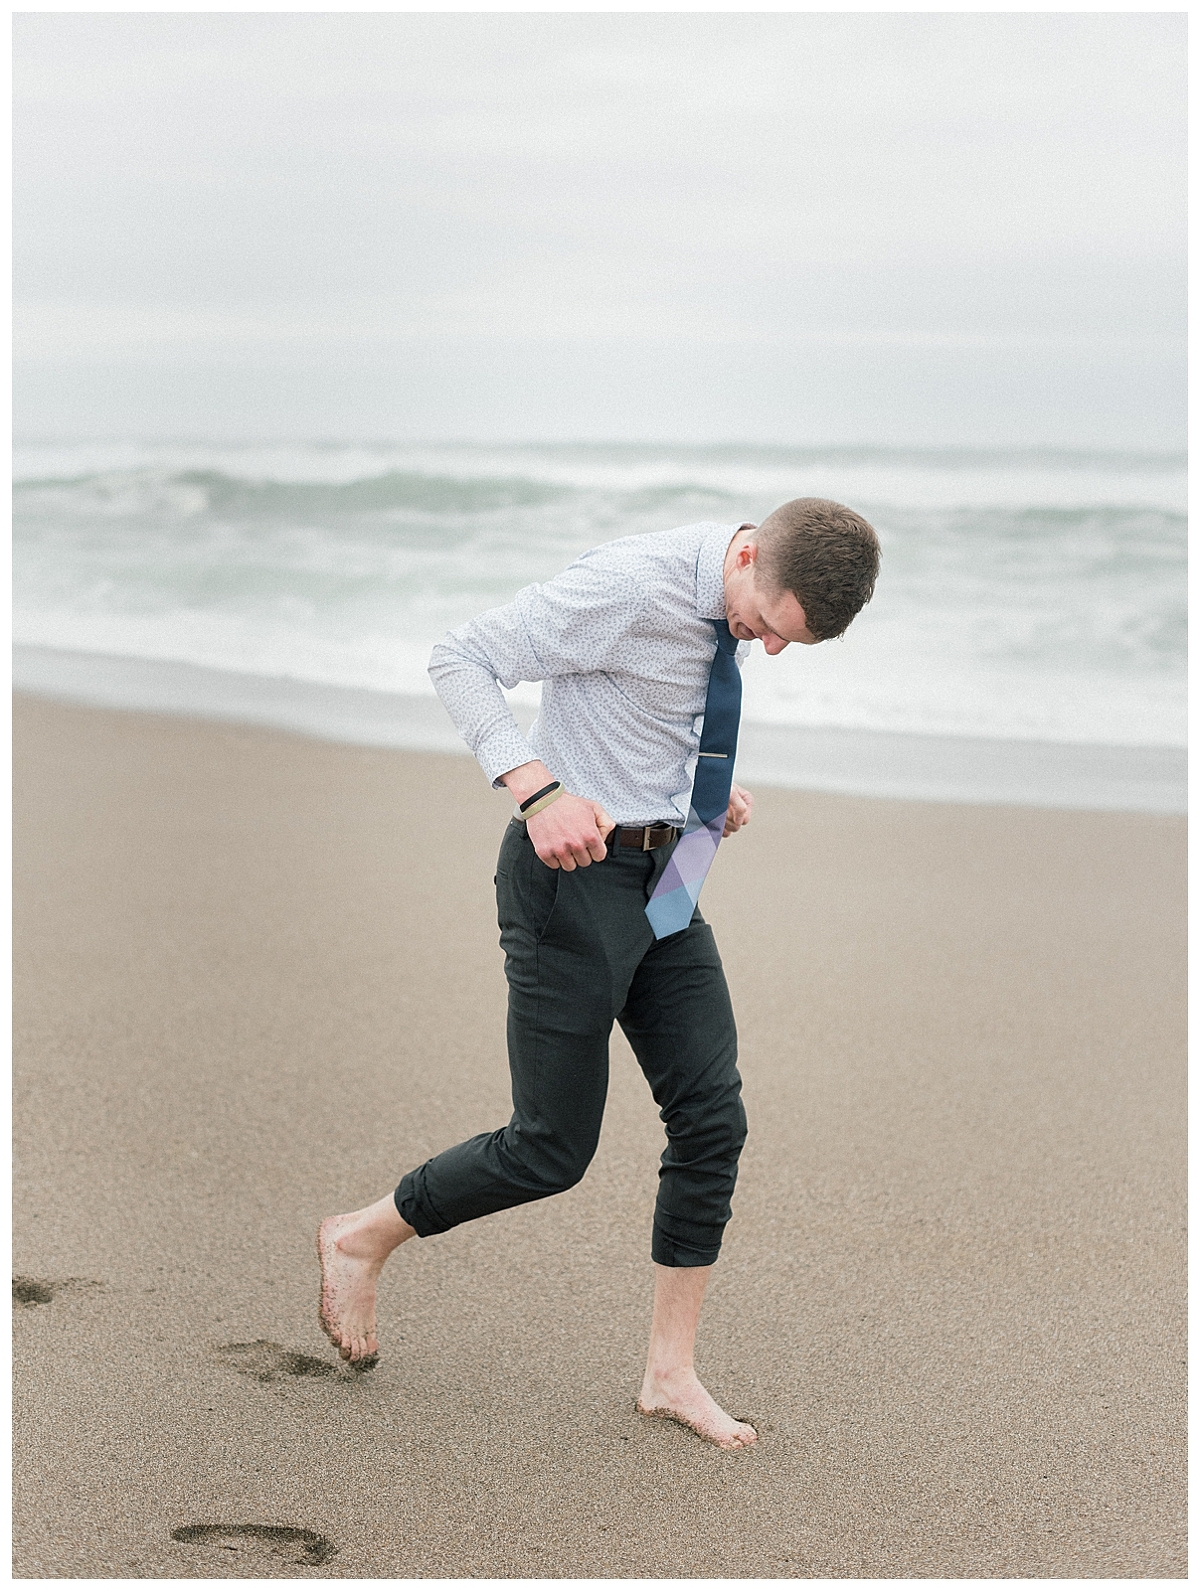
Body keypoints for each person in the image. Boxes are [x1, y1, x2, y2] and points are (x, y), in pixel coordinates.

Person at [317, 497, 880, 1449]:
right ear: (746, 556)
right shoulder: (629, 585)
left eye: (787, 645)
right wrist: (536, 789)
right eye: (765, 629)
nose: (767, 651)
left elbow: (648, 702)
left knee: (713, 1120)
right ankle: (361, 1236)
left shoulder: (733, 595)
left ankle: (670, 1373)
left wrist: (697, 791)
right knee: (549, 1148)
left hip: (668, 880)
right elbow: (461, 657)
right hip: (569, 883)